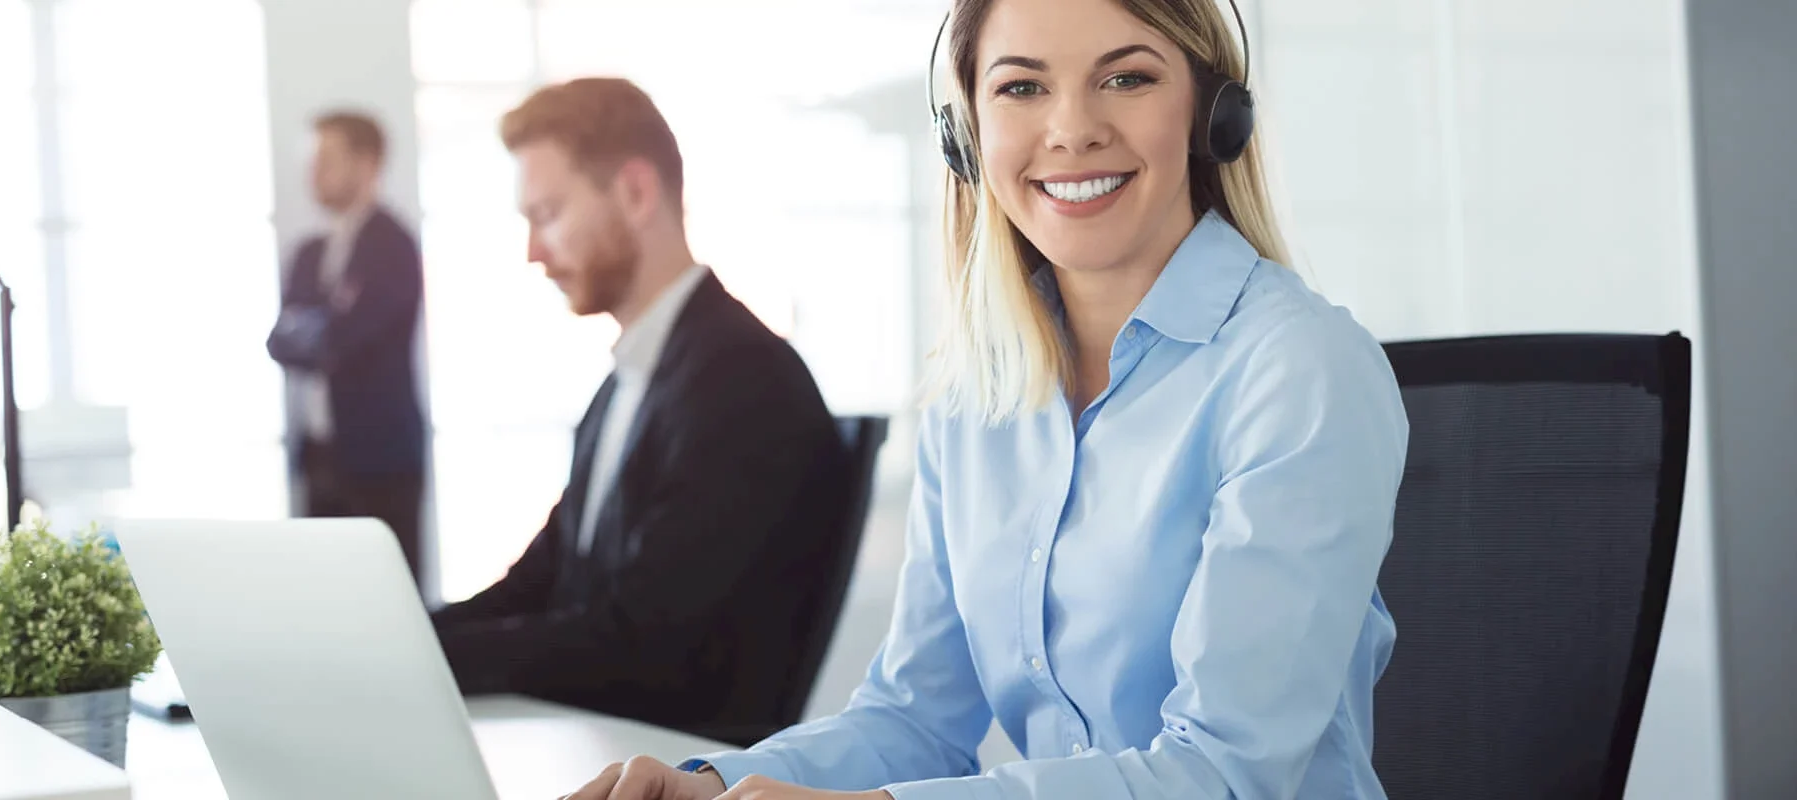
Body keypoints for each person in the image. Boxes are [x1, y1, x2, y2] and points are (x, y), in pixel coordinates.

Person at [564, 0, 1409, 797]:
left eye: (1127, 77)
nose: (1073, 129)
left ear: (1211, 112)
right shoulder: (978, 394)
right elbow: (916, 718)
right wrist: (708, 783)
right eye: (1022, 87)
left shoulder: (1299, 368)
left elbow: (1224, 774)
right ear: (965, 135)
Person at [429, 77, 848, 740]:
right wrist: (400, 641)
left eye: (548, 214)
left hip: (663, 761)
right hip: (599, 742)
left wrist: (426, 659)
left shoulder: (742, 381)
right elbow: (541, 583)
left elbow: (641, 643)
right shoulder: (629, 383)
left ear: (635, 193)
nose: (533, 252)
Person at [266, 111, 430, 589]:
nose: (312, 173)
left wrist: (317, 329)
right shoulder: (310, 252)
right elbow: (280, 342)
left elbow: (346, 338)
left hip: (382, 457)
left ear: (368, 163)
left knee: (388, 594)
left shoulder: (392, 246)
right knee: (326, 594)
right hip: (319, 456)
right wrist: (324, 327)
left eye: (326, 159)